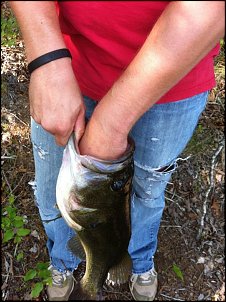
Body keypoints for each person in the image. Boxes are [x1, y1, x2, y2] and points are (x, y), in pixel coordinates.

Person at [10, 1, 225, 301]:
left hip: (173, 81)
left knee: (147, 192)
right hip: (67, 68)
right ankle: (63, 260)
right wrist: (46, 58)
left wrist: (110, 126)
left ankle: (137, 260)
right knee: (50, 192)